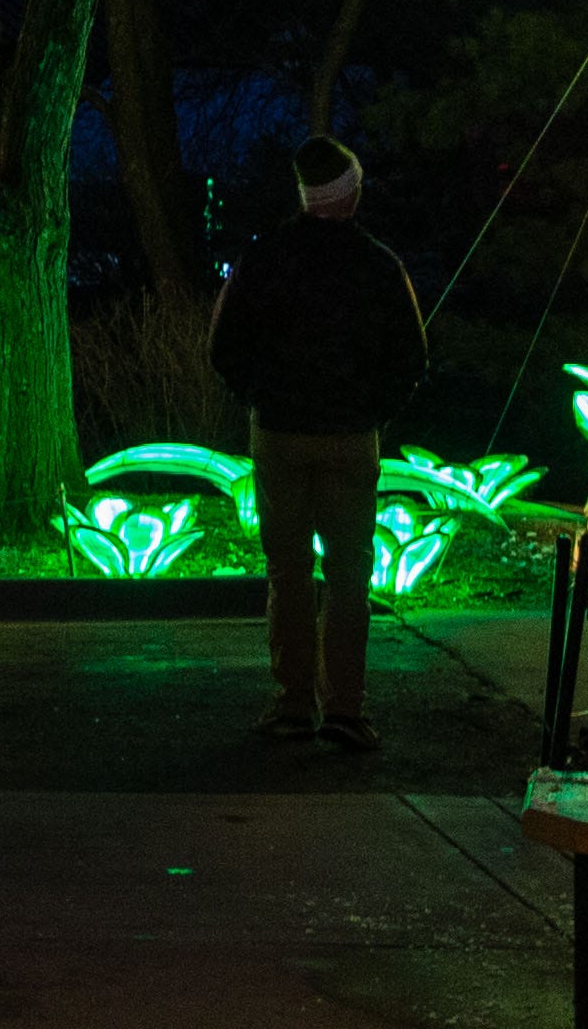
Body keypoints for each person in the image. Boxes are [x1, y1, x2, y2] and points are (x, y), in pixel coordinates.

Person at [207, 134, 427, 753]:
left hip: (278, 432)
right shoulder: (380, 265)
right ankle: (346, 709)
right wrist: (374, 411)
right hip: (351, 436)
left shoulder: (265, 258)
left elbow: (224, 347)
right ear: (350, 193)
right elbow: (412, 357)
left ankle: (293, 701)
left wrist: (260, 396)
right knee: (350, 573)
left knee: (289, 570)